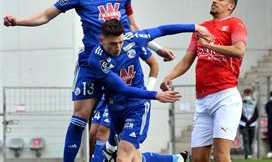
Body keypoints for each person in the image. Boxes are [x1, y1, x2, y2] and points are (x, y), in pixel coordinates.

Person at [3, 0, 174, 161]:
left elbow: (132, 27)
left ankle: (167, 158)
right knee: (80, 117)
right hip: (92, 63)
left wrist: (157, 48)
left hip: (120, 63)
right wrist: (18, 22)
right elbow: (47, 15)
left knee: (111, 131)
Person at [90, 19, 213, 161]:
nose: (118, 47)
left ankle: (109, 149)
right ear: (102, 40)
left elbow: (162, 29)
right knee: (136, 159)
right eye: (113, 44)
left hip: (136, 107)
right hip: (115, 108)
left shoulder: (134, 39)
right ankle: (176, 159)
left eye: (120, 42)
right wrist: (156, 95)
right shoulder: (96, 59)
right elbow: (122, 88)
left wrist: (195, 27)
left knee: (122, 158)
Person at [160, 0, 247, 162]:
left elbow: (239, 51)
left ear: (230, 6)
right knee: (198, 159)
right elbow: (187, 60)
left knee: (221, 156)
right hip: (202, 100)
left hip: (225, 98)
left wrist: (209, 46)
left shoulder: (235, 24)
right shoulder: (202, 28)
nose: (214, 0)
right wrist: (169, 77)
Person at [239, 88, 258, 159]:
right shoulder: (240, 102)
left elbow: (256, 113)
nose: (247, 95)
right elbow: (239, 113)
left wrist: (250, 120)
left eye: (248, 94)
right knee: (246, 139)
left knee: (250, 139)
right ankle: (248, 154)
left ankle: (248, 154)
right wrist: (246, 120)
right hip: (243, 124)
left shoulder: (254, 101)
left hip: (251, 124)